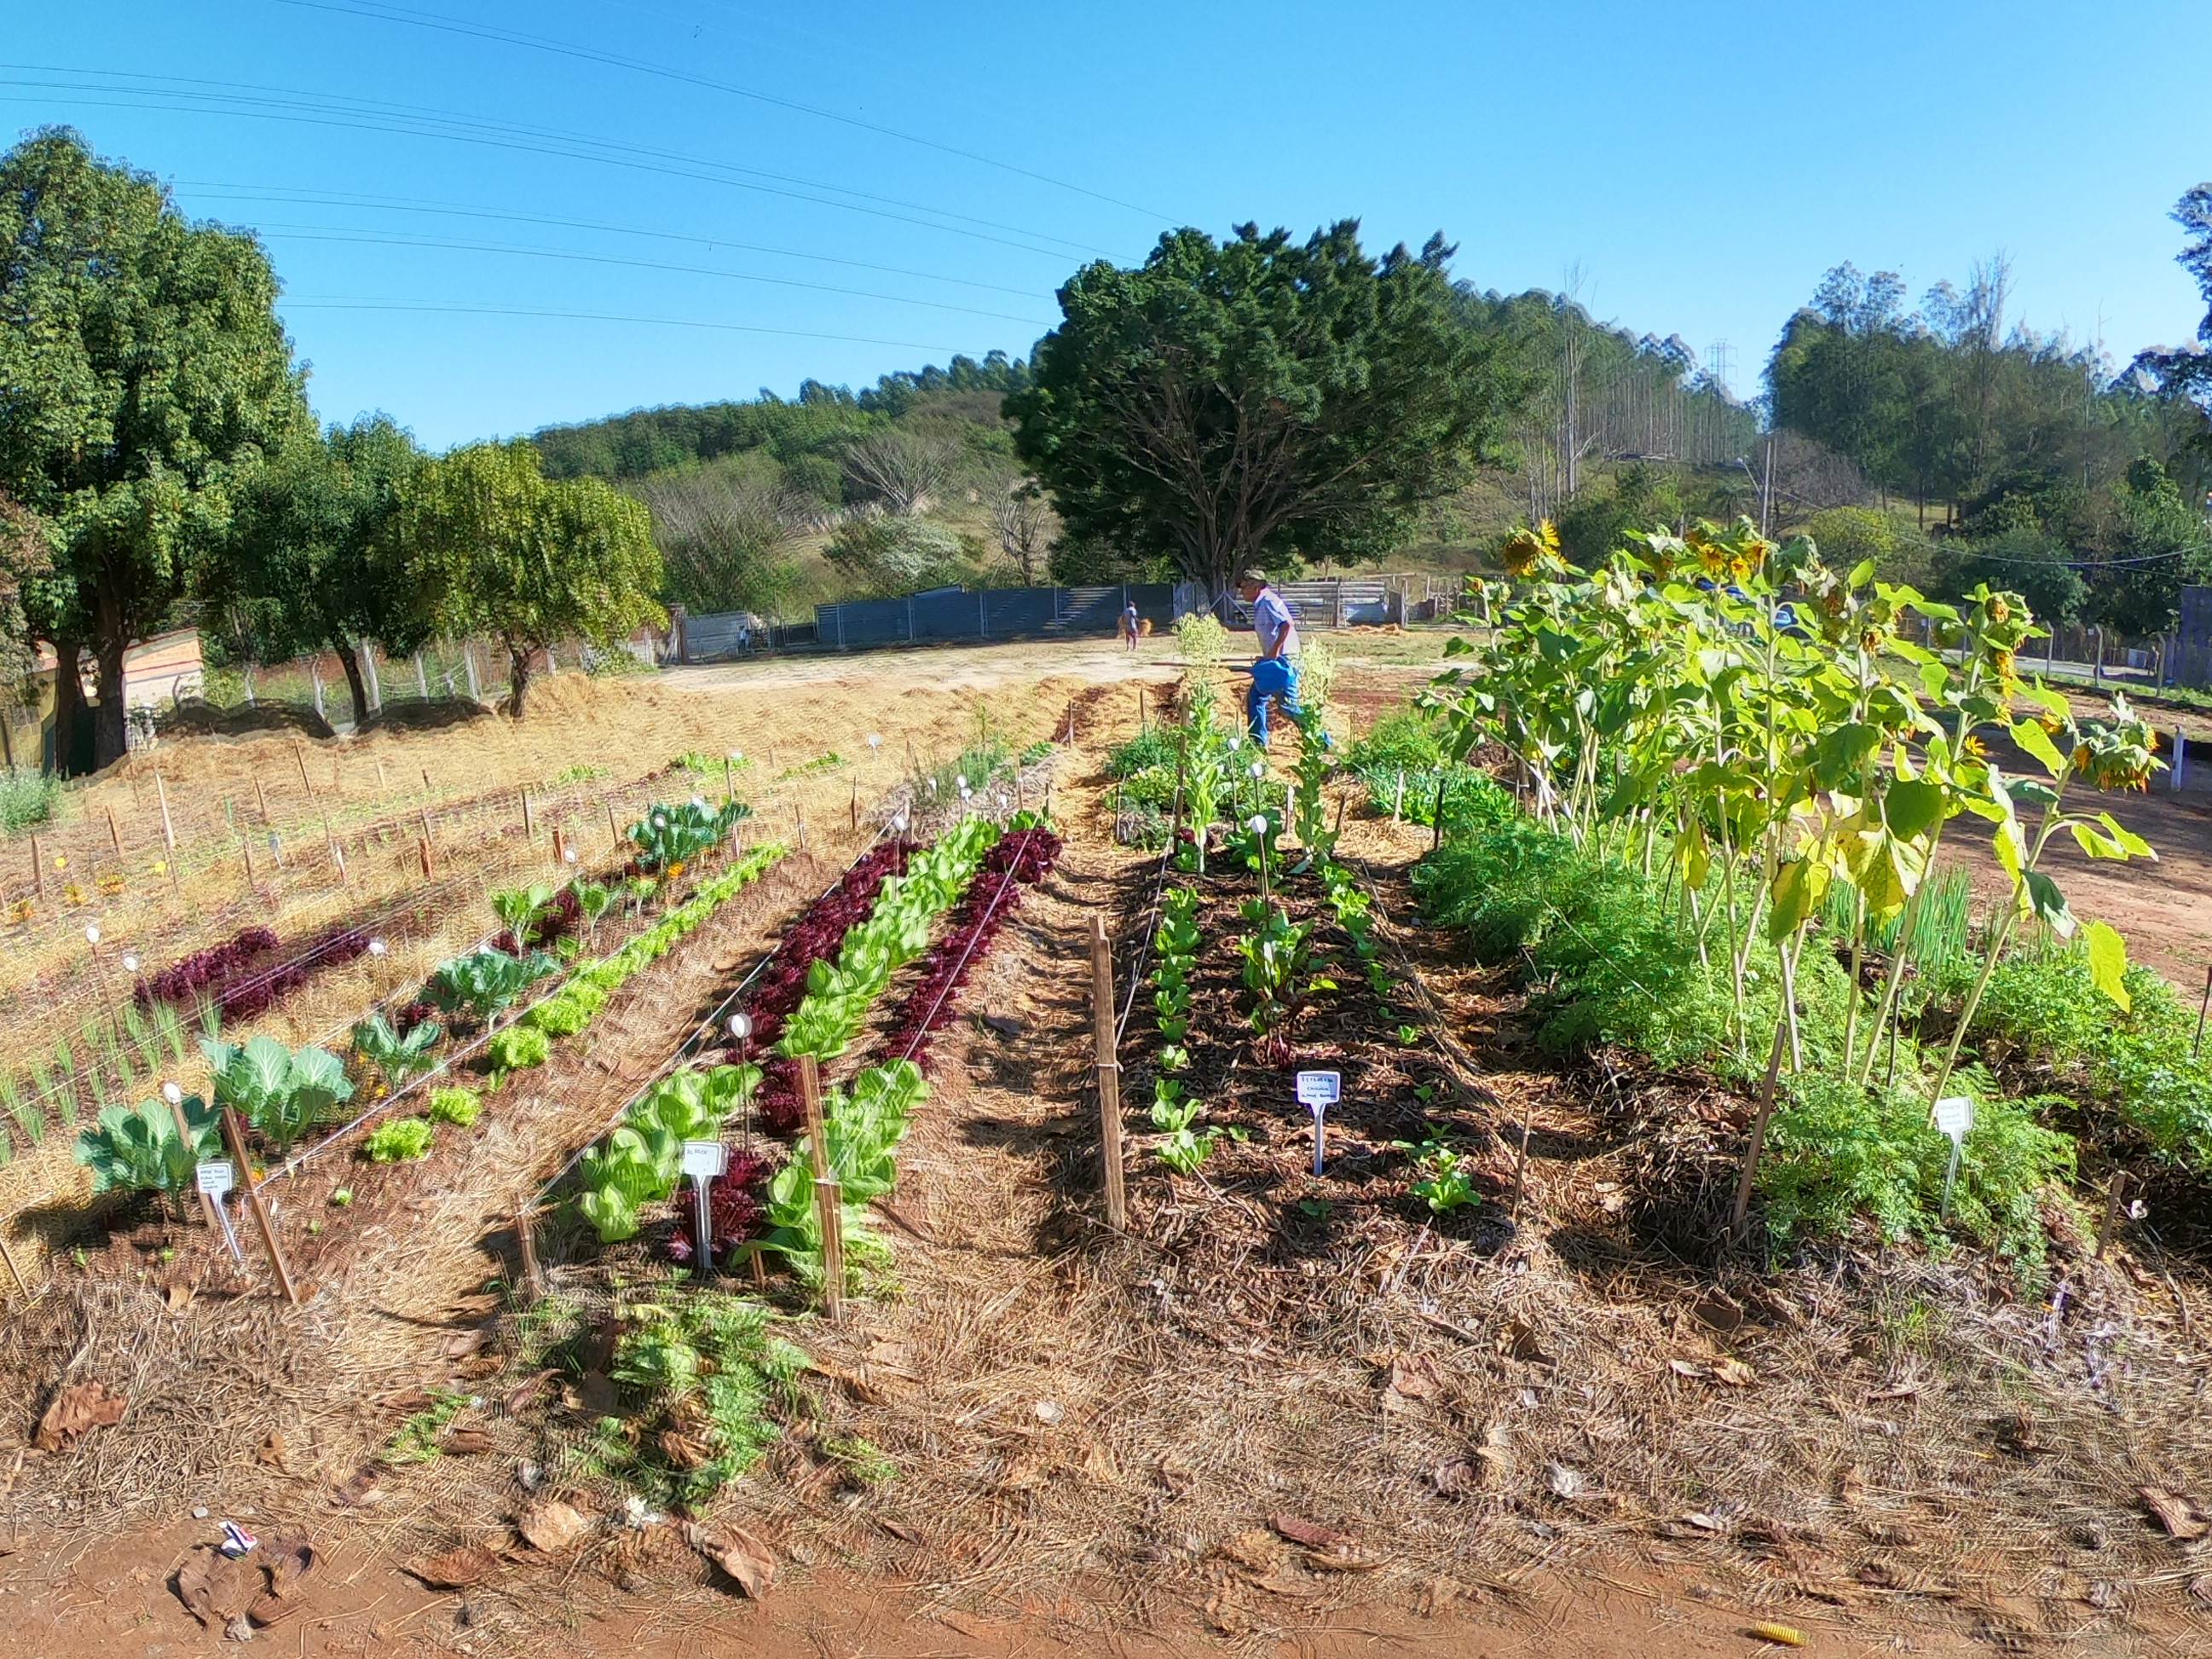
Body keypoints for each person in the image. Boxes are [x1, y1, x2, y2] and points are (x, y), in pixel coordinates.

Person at [1236, 568, 1306, 744]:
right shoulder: (1262, 603)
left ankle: (1321, 739)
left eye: (1244, 586)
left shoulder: (1269, 601)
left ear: (1256, 586)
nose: (1241, 591)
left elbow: (1286, 625)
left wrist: (1274, 651)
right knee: (1256, 698)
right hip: (1275, 659)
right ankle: (1258, 743)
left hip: (1284, 660)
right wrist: (1267, 656)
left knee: (1288, 706)